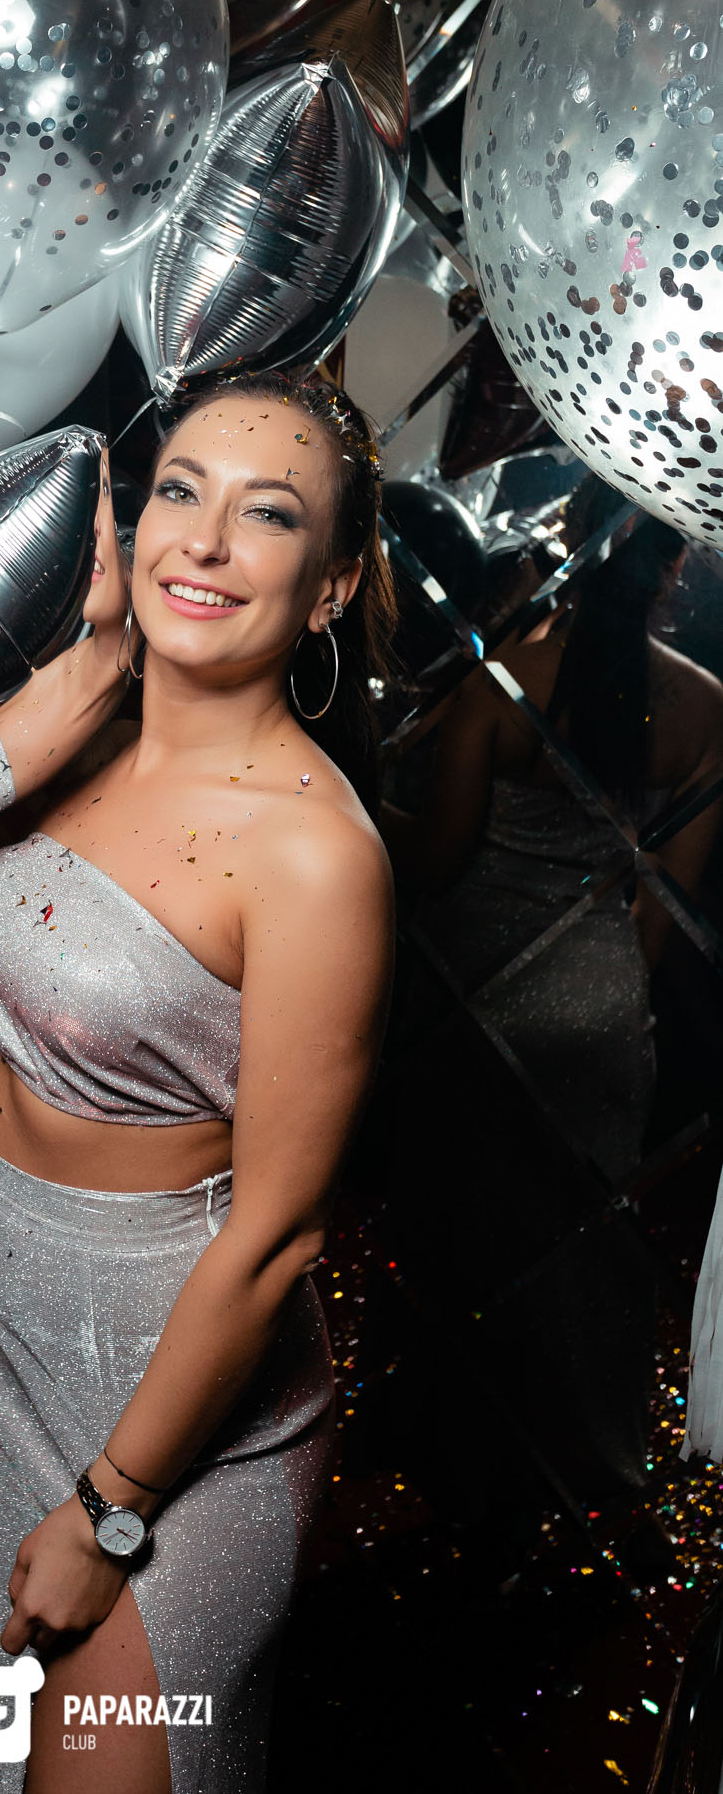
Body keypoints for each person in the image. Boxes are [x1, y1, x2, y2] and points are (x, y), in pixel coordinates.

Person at [0, 374, 398, 1791]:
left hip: (182, 1395)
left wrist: (114, 1510)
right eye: (179, 490)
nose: (204, 541)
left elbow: (277, 1233)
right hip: (7, 1326)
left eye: (268, 514)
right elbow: (51, 1025)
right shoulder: (73, 739)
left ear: (332, 584)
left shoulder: (313, 856)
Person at [375, 473, 723, 1552]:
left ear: (567, 537)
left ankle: (443, 1464)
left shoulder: (504, 679)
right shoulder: (709, 706)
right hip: (600, 997)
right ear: (673, 569)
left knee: (454, 1236)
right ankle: (567, 1484)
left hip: (474, 987)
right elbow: (659, 910)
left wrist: (361, 801)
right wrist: (606, 997)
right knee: (571, 1255)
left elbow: (438, 859)